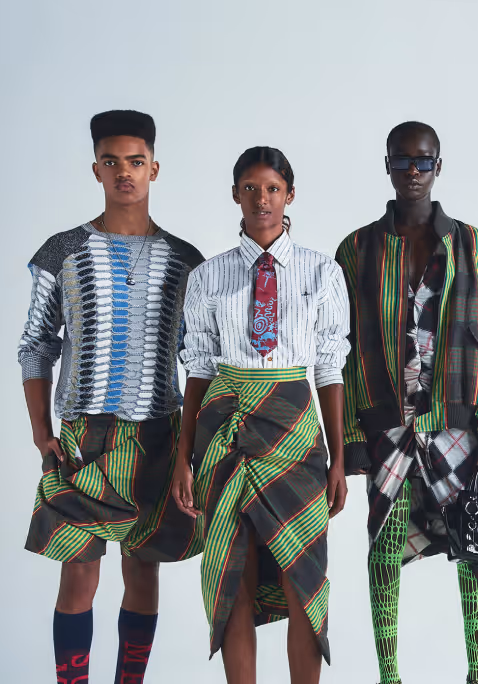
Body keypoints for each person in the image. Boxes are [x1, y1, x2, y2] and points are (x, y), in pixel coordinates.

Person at [18, 109, 206, 684]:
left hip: (157, 435)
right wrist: (41, 432)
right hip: (83, 436)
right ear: (96, 169)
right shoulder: (63, 252)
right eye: (111, 162)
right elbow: (35, 346)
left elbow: (197, 360)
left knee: (143, 572)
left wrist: (192, 450)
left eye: (135, 161)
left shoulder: (186, 261)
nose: (124, 172)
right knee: (78, 574)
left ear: (154, 167)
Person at [336, 121, 478, 684]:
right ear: (386, 165)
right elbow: (340, 350)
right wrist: (348, 436)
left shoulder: (471, 244)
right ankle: (389, 675)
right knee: (383, 550)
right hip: (386, 427)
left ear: (439, 167)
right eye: (402, 161)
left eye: (423, 162)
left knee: (472, 552)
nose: (412, 172)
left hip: (456, 425)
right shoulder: (357, 249)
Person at [169, 146, 350, 684]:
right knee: (232, 576)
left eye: (272, 189)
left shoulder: (323, 272)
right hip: (223, 432)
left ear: (289, 195)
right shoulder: (208, 276)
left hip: (296, 435)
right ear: (235, 195)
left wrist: (338, 460)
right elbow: (197, 370)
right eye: (250, 188)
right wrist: (184, 458)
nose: (261, 199)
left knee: (304, 581)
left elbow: (330, 369)